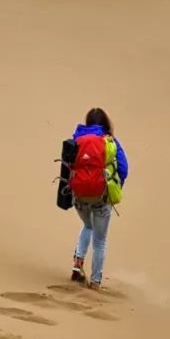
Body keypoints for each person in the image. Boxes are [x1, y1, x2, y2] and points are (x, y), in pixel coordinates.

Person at [69, 108, 128, 290]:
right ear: (105, 123)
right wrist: (114, 187)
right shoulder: (110, 141)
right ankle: (95, 282)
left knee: (88, 226)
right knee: (100, 241)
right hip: (102, 197)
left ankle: (77, 263)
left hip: (79, 196)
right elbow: (124, 169)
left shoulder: (76, 139)